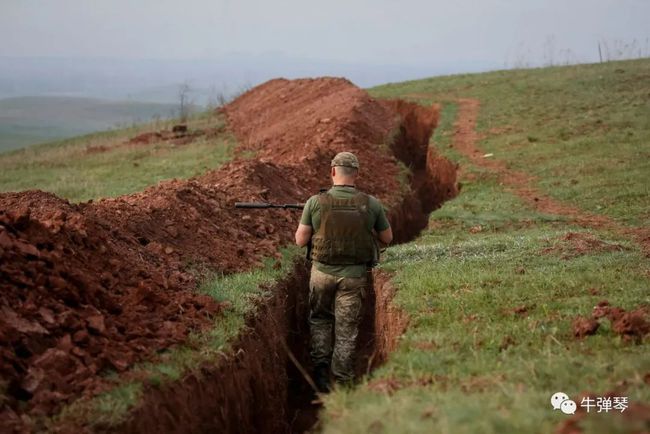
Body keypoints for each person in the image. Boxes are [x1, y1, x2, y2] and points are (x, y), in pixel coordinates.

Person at [294, 151, 393, 393]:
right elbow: (387, 238)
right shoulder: (371, 204)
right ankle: (343, 381)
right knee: (346, 330)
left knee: (320, 320)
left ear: (332, 172)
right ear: (356, 174)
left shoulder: (315, 202)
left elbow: (300, 241)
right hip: (353, 277)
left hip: (321, 275)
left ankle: (320, 375)